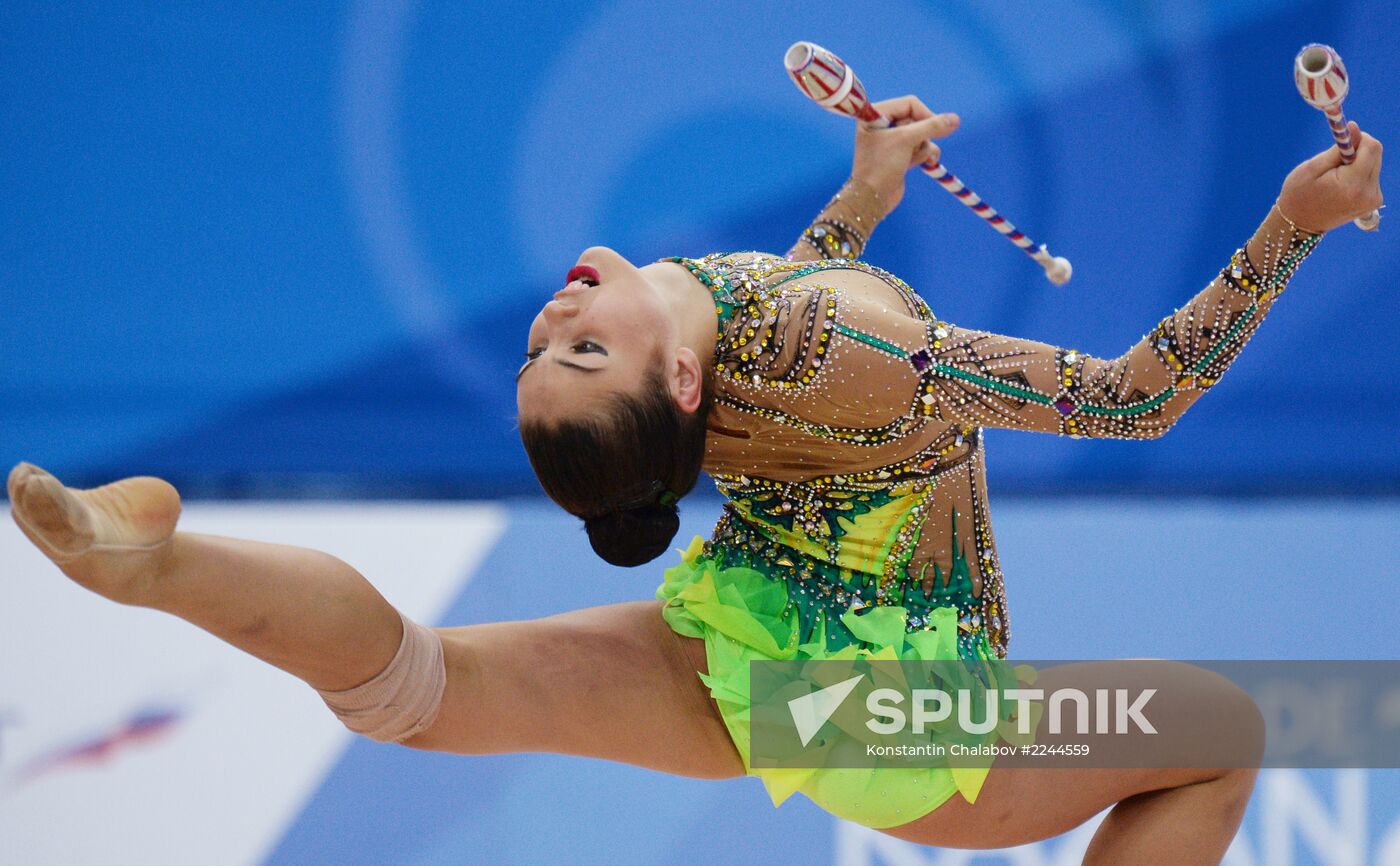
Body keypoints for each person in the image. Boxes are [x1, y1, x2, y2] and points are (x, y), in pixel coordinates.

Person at [7, 95, 1382, 863]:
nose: (557, 311)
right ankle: (157, 564)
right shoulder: (872, 353)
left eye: (548, 343)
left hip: (750, 650)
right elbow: (1137, 396)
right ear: (670, 390)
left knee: (426, 690)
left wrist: (859, 201)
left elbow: (794, 344)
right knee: (1221, 727)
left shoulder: (706, 318)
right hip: (884, 714)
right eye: (581, 347)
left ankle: (156, 563)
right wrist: (1288, 226)